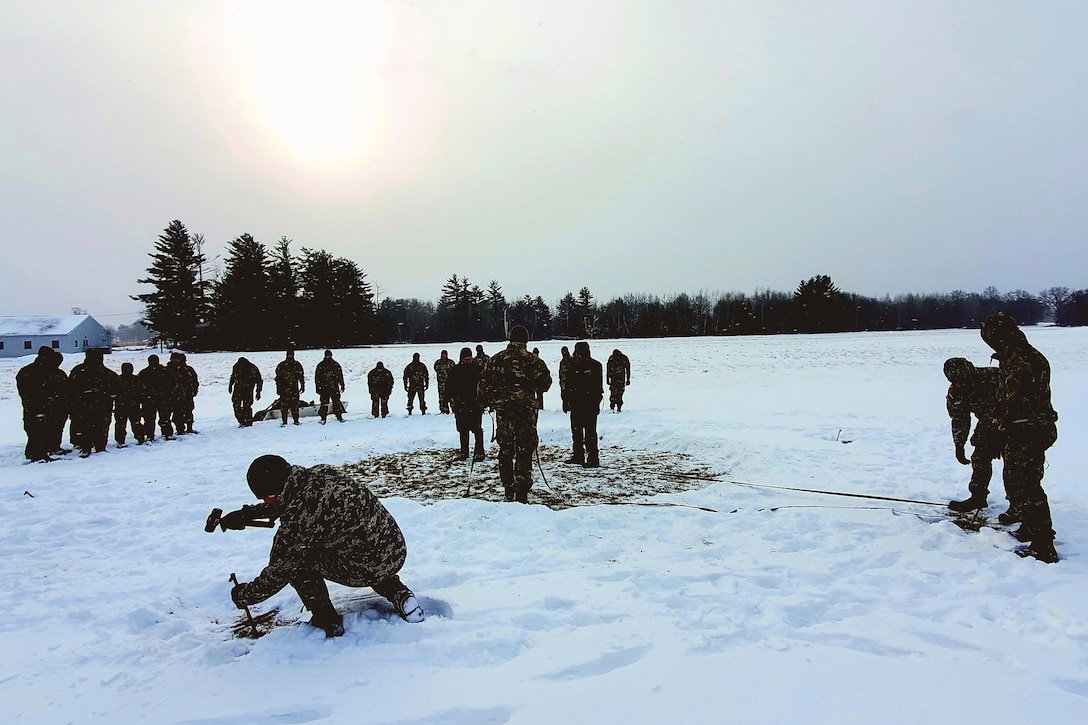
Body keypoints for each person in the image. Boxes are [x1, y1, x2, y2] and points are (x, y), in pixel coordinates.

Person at [228, 454, 425, 637]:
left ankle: (326, 620)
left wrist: (244, 595)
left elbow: (278, 571)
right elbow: (290, 500)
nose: (267, 502)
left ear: (275, 491)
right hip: (393, 549)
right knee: (354, 545)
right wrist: (246, 515)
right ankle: (397, 591)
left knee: (298, 562)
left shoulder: (300, 518)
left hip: (366, 565)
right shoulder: (321, 472)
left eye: (266, 498)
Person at [980, 312, 1060, 563]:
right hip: (1022, 430)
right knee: (1018, 483)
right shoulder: (1016, 356)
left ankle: (1043, 545)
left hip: (1028, 431)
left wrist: (995, 429)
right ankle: (1029, 527)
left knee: (1026, 486)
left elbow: (1011, 402)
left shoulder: (1022, 361)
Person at [477, 325, 552, 502]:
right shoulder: (533, 360)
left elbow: (483, 386)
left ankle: (508, 487)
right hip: (526, 413)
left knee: (506, 450)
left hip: (504, 413)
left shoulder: (496, 360)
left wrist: (486, 401)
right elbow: (546, 384)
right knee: (524, 450)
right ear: (526, 340)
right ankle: (522, 491)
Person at [942, 357, 1003, 513]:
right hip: (986, 424)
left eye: (963, 380)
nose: (960, 385)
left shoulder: (995, 377)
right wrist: (959, 444)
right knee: (979, 459)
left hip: (1013, 423)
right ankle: (978, 498)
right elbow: (959, 418)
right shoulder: (956, 391)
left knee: (1015, 468)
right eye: (956, 382)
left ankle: (1019, 507)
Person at [68, 348, 119, 457]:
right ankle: (91, 446)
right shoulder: (81, 372)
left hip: (94, 406)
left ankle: (93, 446)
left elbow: (116, 389)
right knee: (95, 426)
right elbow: (71, 390)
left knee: (96, 426)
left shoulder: (80, 371)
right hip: (90, 406)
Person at [564, 341, 604, 467]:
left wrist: (595, 402)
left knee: (590, 432)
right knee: (576, 432)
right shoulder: (572, 366)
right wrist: (565, 400)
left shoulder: (595, 366)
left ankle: (593, 458)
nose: (579, 354)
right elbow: (568, 385)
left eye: (581, 351)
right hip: (576, 404)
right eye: (577, 351)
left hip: (589, 404)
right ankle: (578, 456)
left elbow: (598, 387)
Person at [16, 346, 57, 462]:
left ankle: (39, 453)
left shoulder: (40, 370)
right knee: (37, 432)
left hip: (39, 407)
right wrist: (39, 404)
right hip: (35, 407)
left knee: (41, 431)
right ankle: (37, 455)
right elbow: (27, 392)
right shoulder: (31, 372)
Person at [445, 347, 486, 462]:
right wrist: (448, 400)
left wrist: (485, 400)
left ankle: (480, 452)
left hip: (475, 404)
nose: (469, 361)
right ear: (462, 359)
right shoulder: (455, 370)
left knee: (477, 429)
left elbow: (484, 385)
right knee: (463, 430)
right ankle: (464, 452)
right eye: (466, 359)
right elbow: (449, 387)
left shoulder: (478, 369)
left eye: (470, 359)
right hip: (460, 405)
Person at [138, 353, 175, 440]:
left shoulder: (145, 372)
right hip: (153, 399)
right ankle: (154, 435)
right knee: (153, 418)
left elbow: (173, 383)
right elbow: (139, 386)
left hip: (159, 398)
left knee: (161, 418)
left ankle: (157, 434)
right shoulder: (163, 371)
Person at [42, 349, 71, 456]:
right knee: (48, 429)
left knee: (57, 428)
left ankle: (55, 446)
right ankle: (47, 448)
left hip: (59, 407)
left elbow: (67, 389)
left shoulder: (59, 374)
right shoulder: (41, 373)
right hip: (49, 407)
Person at [113, 362, 146, 447]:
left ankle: (138, 438)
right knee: (124, 425)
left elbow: (142, 393)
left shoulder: (119, 380)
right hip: (127, 406)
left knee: (129, 424)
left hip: (128, 406)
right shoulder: (120, 380)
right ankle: (123, 440)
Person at [167, 352, 199, 435]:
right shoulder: (168, 370)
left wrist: (194, 391)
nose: (175, 360)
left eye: (176, 359)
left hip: (187, 395)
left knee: (189, 411)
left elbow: (195, 380)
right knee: (177, 414)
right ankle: (180, 430)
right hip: (174, 396)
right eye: (173, 359)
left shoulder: (188, 369)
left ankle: (189, 428)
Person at [228, 356, 263, 427]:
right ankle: (241, 421)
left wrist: (258, 391)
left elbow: (259, 380)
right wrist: (230, 386)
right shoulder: (236, 366)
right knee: (236, 406)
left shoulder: (252, 368)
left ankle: (248, 422)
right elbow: (233, 376)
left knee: (247, 407)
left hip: (248, 391)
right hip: (237, 390)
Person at [275, 349, 306, 426]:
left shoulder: (297, 365)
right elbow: (278, 379)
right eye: (289, 354)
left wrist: (302, 386)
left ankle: (296, 420)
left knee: (295, 406)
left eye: (291, 354)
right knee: (284, 407)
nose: (290, 356)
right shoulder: (281, 365)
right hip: (284, 390)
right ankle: (284, 422)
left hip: (294, 389)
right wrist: (278, 389)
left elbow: (301, 377)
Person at [315, 349, 346, 424]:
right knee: (324, 404)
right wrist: (317, 388)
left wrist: (342, 385)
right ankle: (323, 418)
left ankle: (339, 417)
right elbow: (317, 378)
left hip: (334, 387)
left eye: (329, 355)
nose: (328, 357)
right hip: (324, 388)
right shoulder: (320, 365)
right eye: (327, 355)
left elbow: (340, 376)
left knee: (336, 402)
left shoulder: (335, 365)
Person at [433, 350, 456, 414]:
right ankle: (443, 410)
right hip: (441, 384)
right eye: (443, 354)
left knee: (452, 397)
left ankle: (454, 410)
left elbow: (454, 371)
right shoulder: (438, 363)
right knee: (442, 398)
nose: (444, 356)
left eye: (445, 354)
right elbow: (436, 369)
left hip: (451, 384)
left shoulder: (451, 362)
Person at [558, 346, 572, 413]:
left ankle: (569, 407)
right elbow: (560, 372)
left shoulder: (571, 360)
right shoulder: (562, 361)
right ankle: (565, 408)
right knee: (564, 395)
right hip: (563, 382)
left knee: (569, 395)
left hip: (569, 381)